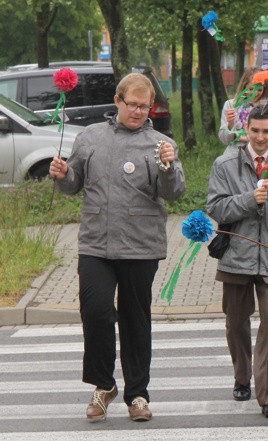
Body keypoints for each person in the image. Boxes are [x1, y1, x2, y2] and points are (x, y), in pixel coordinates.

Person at [49, 73, 186, 422]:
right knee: (95, 311)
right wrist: (63, 174)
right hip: (96, 243)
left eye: (145, 106)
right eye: (133, 104)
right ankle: (103, 385)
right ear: (118, 101)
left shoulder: (160, 143)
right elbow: (74, 184)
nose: (139, 111)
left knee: (135, 320)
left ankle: (137, 394)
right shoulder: (91, 137)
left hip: (140, 245)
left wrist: (168, 166)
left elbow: (174, 193)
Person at [206, 105, 268, 419]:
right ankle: (241, 375)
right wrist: (250, 200)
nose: (260, 137)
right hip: (236, 257)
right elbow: (216, 208)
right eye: (255, 131)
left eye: (267, 132)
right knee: (236, 323)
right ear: (246, 130)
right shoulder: (225, 163)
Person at [219, 67, 268, 155]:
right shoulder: (231, 105)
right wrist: (230, 125)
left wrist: (243, 138)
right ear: (244, 86)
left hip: (261, 155)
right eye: (251, 89)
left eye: (259, 89)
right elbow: (225, 140)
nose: (255, 93)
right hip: (235, 154)